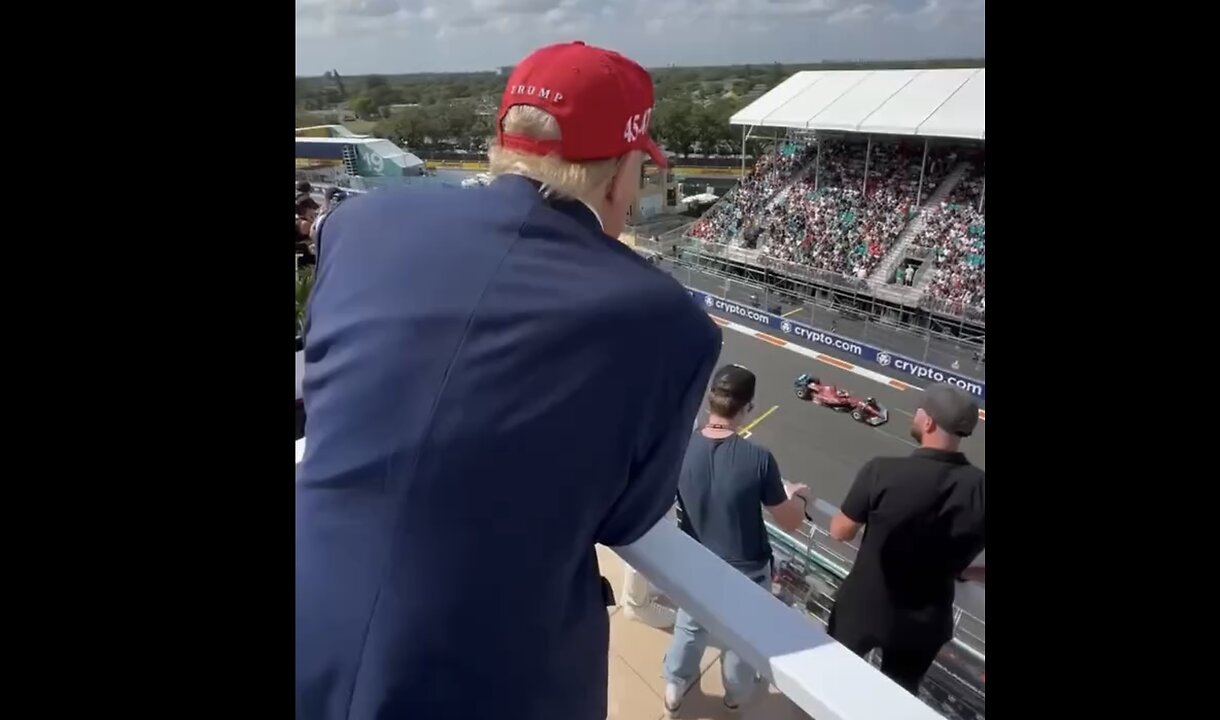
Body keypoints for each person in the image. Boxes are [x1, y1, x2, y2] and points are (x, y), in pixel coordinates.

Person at [296, 41, 721, 720]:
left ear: (505, 144)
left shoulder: (356, 224)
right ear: (618, 175)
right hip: (494, 680)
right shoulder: (668, 321)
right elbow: (627, 516)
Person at [662, 364, 810, 716]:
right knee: (740, 641)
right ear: (747, 409)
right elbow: (790, 521)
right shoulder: (757, 459)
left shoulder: (682, 446)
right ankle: (735, 695)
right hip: (746, 570)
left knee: (690, 623)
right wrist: (800, 497)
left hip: (694, 560)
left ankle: (674, 684)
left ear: (711, 401)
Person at [826, 383, 985, 696]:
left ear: (928, 422)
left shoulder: (882, 471)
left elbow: (839, 532)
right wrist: (963, 570)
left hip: (862, 608)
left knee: (831, 683)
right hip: (926, 623)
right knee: (897, 698)